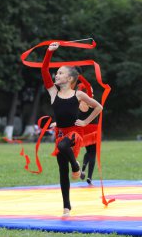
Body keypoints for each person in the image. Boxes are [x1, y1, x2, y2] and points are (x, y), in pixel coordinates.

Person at [41, 42, 103, 217]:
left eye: (60, 73)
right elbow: (44, 70)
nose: (56, 75)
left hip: (75, 133)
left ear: (69, 79)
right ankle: (66, 206)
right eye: (57, 72)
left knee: (62, 147)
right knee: (62, 171)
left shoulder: (78, 94)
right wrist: (48, 52)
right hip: (60, 133)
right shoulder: (53, 93)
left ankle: (76, 167)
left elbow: (98, 107)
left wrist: (85, 122)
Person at [77, 83, 98, 186]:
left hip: (84, 131)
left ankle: (84, 167)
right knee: (93, 153)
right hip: (94, 130)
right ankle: (89, 177)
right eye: (91, 91)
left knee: (88, 151)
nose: (92, 94)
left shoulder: (78, 103)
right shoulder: (91, 103)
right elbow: (99, 109)